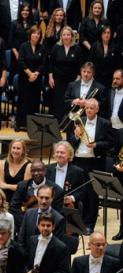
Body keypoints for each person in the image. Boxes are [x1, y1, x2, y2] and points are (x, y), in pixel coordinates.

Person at [68, 98, 114, 233]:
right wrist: (76, 137)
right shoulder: (78, 121)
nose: (88, 110)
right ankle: (77, 222)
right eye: (87, 108)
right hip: (78, 161)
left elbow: (111, 143)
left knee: (92, 195)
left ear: (97, 109)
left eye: (91, 108)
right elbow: (71, 142)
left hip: (94, 162)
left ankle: (89, 224)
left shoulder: (105, 124)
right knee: (78, 193)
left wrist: (96, 145)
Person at [9, 160, 64, 233]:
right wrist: (26, 224)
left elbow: (56, 213)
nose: (36, 173)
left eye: (39, 170)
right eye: (33, 171)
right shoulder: (22, 186)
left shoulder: (57, 190)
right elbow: (13, 208)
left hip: (47, 229)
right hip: (25, 227)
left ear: (45, 171)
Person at [17, 185, 66, 251]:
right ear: (37, 197)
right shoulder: (29, 213)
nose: (43, 201)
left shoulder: (59, 219)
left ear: (52, 198)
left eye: (47, 198)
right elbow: (22, 237)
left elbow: (56, 246)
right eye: (41, 197)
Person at [48, 26, 82, 122]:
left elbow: (80, 64)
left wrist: (78, 77)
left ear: (72, 36)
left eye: (68, 35)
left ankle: (68, 123)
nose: (66, 37)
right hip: (57, 79)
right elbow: (51, 63)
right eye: (64, 35)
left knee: (69, 101)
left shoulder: (77, 48)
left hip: (72, 81)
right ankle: (56, 122)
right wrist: (50, 77)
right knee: (57, 101)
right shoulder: (56, 47)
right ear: (61, 36)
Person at [16, 25, 46, 131]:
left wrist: (36, 74)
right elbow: (21, 61)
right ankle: (19, 124)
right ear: (30, 34)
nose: (36, 35)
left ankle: (32, 126)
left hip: (36, 80)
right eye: (34, 33)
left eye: (38, 33)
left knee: (34, 102)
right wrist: (30, 74)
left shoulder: (42, 48)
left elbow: (43, 63)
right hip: (25, 79)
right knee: (22, 101)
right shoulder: (24, 46)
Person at [45, 141, 87, 209]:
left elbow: (82, 191)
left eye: (62, 152)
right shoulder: (47, 169)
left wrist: (72, 198)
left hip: (67, 207)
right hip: (49, 206)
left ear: (69, 155)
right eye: (57, 152)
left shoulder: (77, 171)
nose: (59, 155)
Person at [0, 138, 31, 204]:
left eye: (18, 148)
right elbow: (1, 185)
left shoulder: (28, 166)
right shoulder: (3, 163)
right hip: (5, 198)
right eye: (13, 148)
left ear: (23, 151)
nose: (15, 151)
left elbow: (24, 188)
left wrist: (7, 186)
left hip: (20, 199)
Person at [89, 26, 121, 92]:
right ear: (101, 34)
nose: (106, 35)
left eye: (108, 33)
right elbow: (90, 62)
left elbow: (118, 64)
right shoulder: (94, 46)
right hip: (97, 77)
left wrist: (115, 79)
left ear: (111, 34)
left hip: (110, 78)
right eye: (104, 33)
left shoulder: (116, 47)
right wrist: (91, 75)